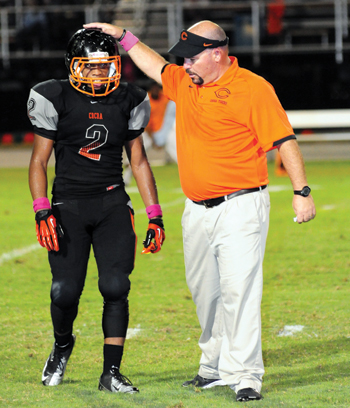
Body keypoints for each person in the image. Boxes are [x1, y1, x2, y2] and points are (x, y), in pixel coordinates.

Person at [83, 20, 316, 402]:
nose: (184, 65)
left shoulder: (253, 88)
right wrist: (123, 37)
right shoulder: (187, 82)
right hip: (196, 209)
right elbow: (155, 65)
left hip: (240, 206)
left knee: (239, 291)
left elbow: (284, 141)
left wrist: (301, 191)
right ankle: (213, 367)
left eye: (191, 58)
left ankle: (245, 375)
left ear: (217, 53)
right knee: (205, 293)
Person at [27, 28, 165, 394]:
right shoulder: (54, 96)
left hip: (111, 202)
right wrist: (42, 210)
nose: (101, 74)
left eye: (106, 68)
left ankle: (111, 373)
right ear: (75, 67)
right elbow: (39, 161)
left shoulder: (129, 99)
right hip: (68, 204)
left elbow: (138, 160)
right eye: (92, 67)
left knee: (116, 286)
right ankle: (61, 345)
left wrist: (155, 213)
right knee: (64, 292)